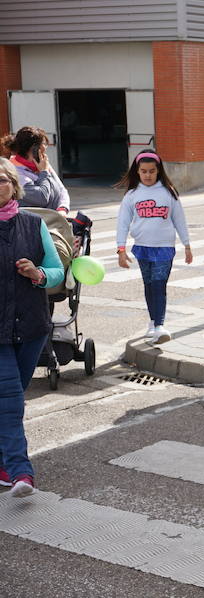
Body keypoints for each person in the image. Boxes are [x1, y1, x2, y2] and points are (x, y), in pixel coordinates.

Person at [0, 157, 65, 497]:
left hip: (31, 327)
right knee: (10, 400)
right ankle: (21, 472)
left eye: (1, 180)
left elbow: (58, 272)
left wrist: (37, 274)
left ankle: (2, 462)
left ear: (13, 184)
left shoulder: (32, 224)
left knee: (10, 399)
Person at [115, 150, 192, 345]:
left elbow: (179, 219)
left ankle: (160, 325)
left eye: (151, 171)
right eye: (144, 171)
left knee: (159, 284)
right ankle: (153, 321)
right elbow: (122, 223)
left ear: (158, 171)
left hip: (164, 247)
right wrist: (121, 250)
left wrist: (187, 245)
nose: (148, 175)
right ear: (138, 172)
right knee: (149, 285)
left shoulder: (168, 192)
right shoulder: (132, 195)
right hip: (142, 247)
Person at [1, 127, 71, 213]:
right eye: (44, 144)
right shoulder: (14, 172)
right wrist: (44, 173)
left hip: (56, 219)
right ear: (33, 149)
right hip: (33, 223)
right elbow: (41, 198)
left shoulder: (42, 164)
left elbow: (61, 190)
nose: (45, 149)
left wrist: (62, 208)